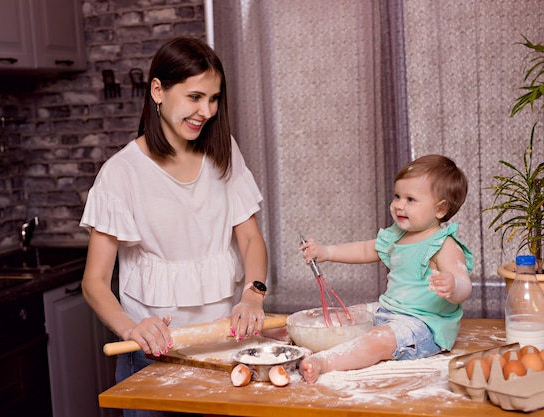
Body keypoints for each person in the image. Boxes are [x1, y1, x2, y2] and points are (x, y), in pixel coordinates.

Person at [80, 36, 268, 416]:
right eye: (195, 97)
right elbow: (94, 282)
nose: (207, 111)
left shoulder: (224, 151)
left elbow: (250, 239)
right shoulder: (121, 174)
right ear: (158, 91)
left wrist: (252, 295)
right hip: (152, 359)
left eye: (214, 99)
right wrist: (131, 330)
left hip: (225, 351)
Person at [298, 154, 473, 384]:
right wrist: (327, 252)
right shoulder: (397, 235)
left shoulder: (443, 245)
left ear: (440, 209)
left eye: (411, 199)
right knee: (347, 315)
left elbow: (464, 283)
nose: (399, 205)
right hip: (388, 310)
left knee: (377, 339)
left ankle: (326, 361)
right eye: (397, 196)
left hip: (423, 325)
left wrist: (453, 285)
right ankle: (298, 339)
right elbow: (364, 250)